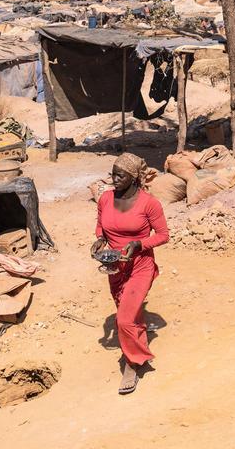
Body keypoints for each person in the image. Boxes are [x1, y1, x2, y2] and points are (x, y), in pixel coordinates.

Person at [91, 153, 169, 395]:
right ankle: (138, 343)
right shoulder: (105, 199)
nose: (113, 179)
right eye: (112, 173)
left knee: (124, 319)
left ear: (134, 177)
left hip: (140, 265)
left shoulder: (149, 203)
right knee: (129, 313)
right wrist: (100, 240)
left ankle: (133, 363)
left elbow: (163, 235)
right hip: (115, 265)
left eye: (120, 175)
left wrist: (139, 244)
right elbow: (101, 226)